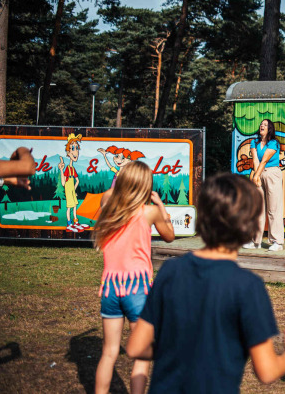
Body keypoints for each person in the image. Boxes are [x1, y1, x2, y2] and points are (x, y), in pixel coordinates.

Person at [126, 173, 285, 392]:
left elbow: (135, 347)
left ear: (202, 218)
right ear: (249, 226)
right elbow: (267, 372)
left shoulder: (170, 271)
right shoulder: (248, 287)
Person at [93, 161, 175, 394]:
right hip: (137, 288)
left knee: (109, 352)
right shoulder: (148, 212)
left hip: (109, 287)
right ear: (146, 186)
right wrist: (159, 203)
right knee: (143, 353)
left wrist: (121, 181)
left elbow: (111, 193)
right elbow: (169, 236)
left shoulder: (108, 204)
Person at [244, 119, 284, 251]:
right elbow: (255, 159)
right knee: (258, 208)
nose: (262, 126)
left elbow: (265, 160)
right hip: (259, 173)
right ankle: (256, 242)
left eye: (265, 125)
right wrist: (257, 176)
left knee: (273, 209)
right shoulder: (254, 142)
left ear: (270, 129)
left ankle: (277, 242)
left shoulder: (274, 143)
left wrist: (256, 176)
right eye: (261, 124)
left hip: (272, 174)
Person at [58, 133, 83, 232]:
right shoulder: (67, 169)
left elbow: (77, 180)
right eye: (73, 148)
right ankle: (69, 223)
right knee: (69, 208)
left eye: (77, 148)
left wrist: (74, 189)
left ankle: (76, 222)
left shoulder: (73, 168)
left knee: (75, 206)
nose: (76, 151)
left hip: (72, 191)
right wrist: (61, 170)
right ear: (68, 153)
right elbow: (64, 183)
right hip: (68, 191)